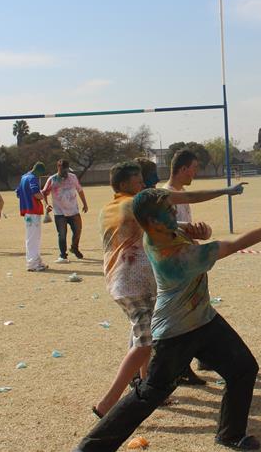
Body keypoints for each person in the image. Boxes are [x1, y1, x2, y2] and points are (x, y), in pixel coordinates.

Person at [67, 188, 261, 452]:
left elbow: (185, 229)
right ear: (154, 222)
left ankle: (231, 433)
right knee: (150, 393)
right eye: (169, 211)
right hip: (175, 332)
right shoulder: (175, 256)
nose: (175, 213)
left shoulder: (161, 232)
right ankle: (87, 447)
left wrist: (198, 230)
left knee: (243, 369)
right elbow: (235, 244)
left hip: (204, 319)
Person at [91, 161, 247, 418]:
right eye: (138, 181)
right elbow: (185, 198)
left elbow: (159, 225)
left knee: (146, 339)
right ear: (124, 184)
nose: (144, 184)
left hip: (127, 283)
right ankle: (106, 404)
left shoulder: (111, 208)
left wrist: (190, 229)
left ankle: (147, 388)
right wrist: (225, 191)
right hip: (132, 284)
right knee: (144, 343)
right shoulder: (133, 205)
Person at [164, 149, 246, 380]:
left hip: (189, 261)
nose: (196, 172)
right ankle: (180, 367)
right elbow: (167, 231)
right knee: (182, 315)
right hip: (177, 266)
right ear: (183, 169)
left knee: (198, 309)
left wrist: (198, 233)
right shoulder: (164, 195)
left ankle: (202, 357)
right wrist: (226, 191)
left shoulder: (180, 193)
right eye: (194, 168)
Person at [42, 159, 88, 263]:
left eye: (67, 170)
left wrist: (85, 204)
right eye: (64, 170)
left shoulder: (73, 177)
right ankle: (63, 255)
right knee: (62, 234)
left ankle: (74, 248)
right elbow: (44, 193)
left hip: (73, 211)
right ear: (58, 168)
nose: (66, 173)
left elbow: (80, 190)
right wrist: (46, 205)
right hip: (59, 212)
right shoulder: (52, 179)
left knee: (77, 231)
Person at [16, 161, 48, 272]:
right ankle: (32, 264)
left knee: (33, 237)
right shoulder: (33, 178)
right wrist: (43, 195)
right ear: (38, 171)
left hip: (27, 211)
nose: (40, 177)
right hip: (33, 210)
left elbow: (18, 193)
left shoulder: (23, 177)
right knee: (33, 238)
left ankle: (37, 261)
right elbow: (36, 193)